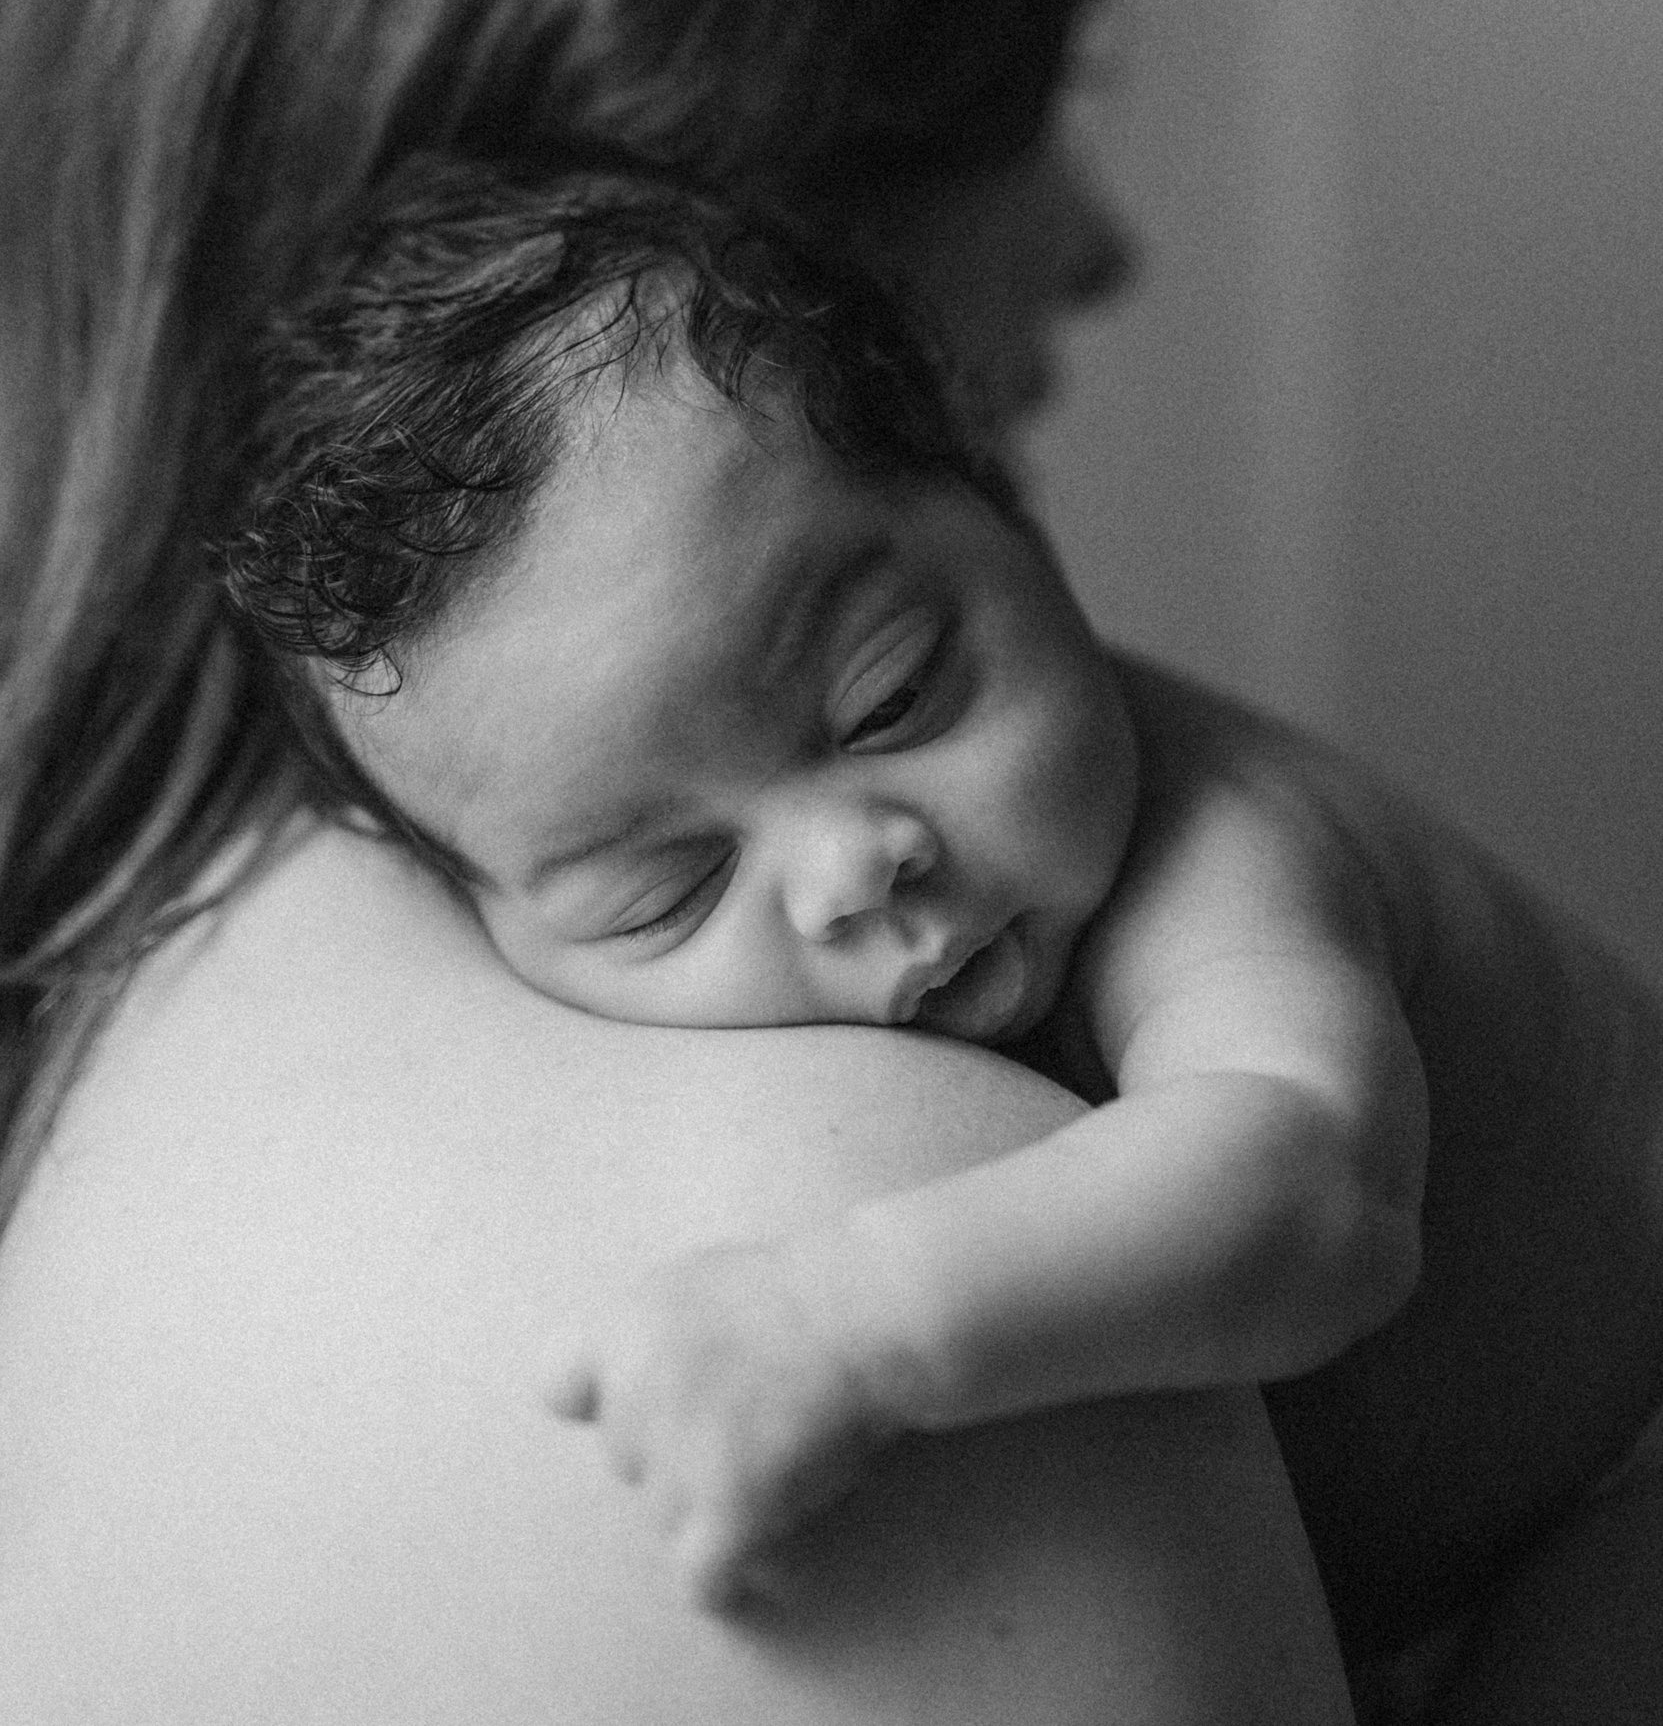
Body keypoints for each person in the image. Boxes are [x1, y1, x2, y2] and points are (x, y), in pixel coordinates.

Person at [0, 0, 1655, 1725]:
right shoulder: (811, 1167)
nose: (1096, 242)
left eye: (887, 686)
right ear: (667, 46)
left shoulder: (147, 1109)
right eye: (1023, 65)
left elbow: (1314, 1188)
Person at [208, 156, 1663, 1648]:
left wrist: (844, 1319)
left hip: (1615, 1483)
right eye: (665, 891)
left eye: (891, 694)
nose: (848, 870)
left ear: (1006, 500)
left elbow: (1315, 1198)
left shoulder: (1221, 849)